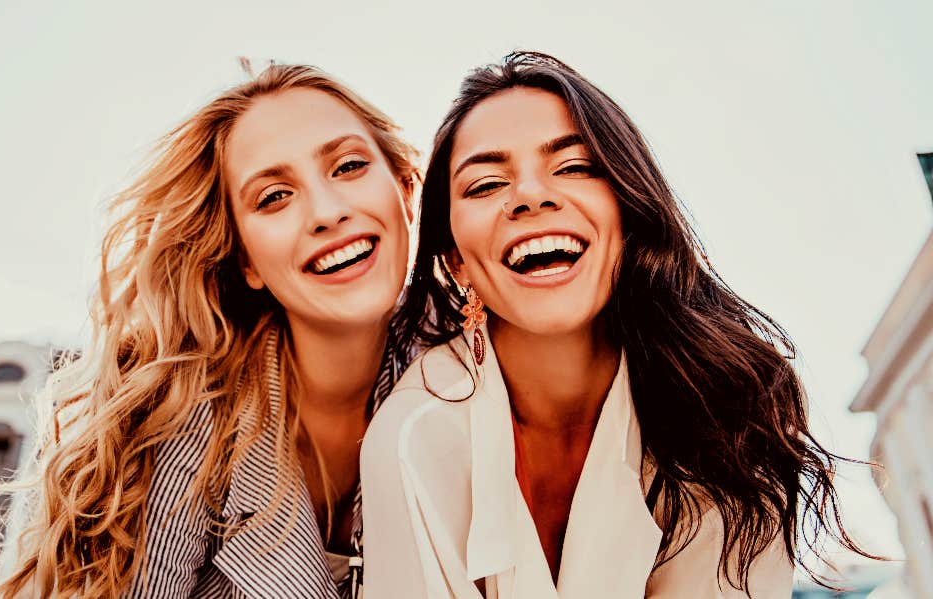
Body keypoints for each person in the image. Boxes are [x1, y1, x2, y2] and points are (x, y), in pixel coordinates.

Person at [362, 51, 873, 598]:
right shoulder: (416, 435)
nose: (531, 196)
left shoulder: (726, 406)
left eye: (575, 167)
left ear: (630, 209)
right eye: (485, 184)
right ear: (455, 259)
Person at [0, 61, 420, 599]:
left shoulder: (475, 381)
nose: (326, 212)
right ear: (247, 262)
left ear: (405, 191)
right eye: (273, 197)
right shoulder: (174, 421)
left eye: (349, 166)